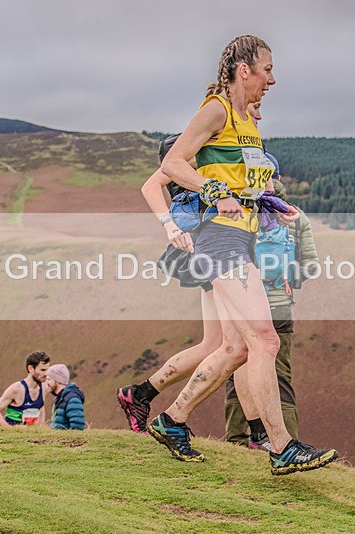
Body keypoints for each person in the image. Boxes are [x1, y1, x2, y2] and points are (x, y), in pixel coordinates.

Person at [146, 34, 338, 475]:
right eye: (267, 69)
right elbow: (174, 164)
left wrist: (271, 204)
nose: (273, 79)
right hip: (219, 241)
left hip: (243, 237)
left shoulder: (246, 121)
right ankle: (280, 446)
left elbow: (243, 184)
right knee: (264, 340)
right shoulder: (215, 109)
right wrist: (213, 191)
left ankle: (172, 420)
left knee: (234, 347)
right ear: (243, 70)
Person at [117, 99, 264, 435]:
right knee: (237, 342)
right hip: (212, 246)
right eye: (254, 106)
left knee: (214, 345)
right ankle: (255, 434)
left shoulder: (237, 142)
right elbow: (152, 184)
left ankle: (139, 394)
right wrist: (170, 226)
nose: (258, 113)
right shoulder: (205, 148)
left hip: (216, 245)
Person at [224, 176, 319, 449]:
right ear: (278, 180)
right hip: (278, 307)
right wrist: (287, 279)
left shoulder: (241, 210)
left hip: (243, 304)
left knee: (237, 370)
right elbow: (311, 267)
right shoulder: (293, 216)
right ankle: (285, 442)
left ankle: (237, 440)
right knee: (279, 377)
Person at [0, 351, 49, 427]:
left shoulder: (44, 388)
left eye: (47, 370)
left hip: (30, 435)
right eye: (42, 370)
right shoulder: (16, 389)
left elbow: (40, 407)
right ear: (30, 369)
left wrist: (40, 429)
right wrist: (10, 430)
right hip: (13, 435)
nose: (46, 374)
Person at [45, 364, 86, 430]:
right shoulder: (59, 399)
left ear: (58, 380)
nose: (46, 383)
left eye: (49, 379)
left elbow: (78, 428)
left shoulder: (72, 399)